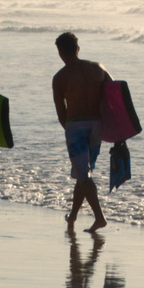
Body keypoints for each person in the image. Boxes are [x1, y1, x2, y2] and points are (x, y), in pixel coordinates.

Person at [50, 31, 110, 230]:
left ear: (60, 52)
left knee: (83, 175)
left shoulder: (59, 78)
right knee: (83, 173)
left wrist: (70, 130)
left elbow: (61, 115)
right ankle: (73, 216)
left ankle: (99, 217)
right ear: (78, 48)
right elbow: (116, 94)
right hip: (97, 126)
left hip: (76, 127)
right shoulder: (98, 68)